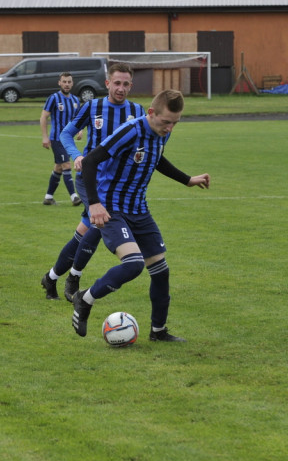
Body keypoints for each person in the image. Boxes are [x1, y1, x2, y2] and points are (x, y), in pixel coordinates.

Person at [70, 89, 210, 342]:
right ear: (151, 113)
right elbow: (90, 161)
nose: (169, 128)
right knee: (133, 264)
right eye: (166, 121)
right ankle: (85, 298)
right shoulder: (130, 131)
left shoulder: (161, 134)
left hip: (139, 210)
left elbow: (157, 159)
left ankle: (158, 332)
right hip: (112, 208)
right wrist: (94, 204)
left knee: (161, 271)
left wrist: (187, 180)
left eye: (175, 123)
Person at [40, 63, 144, 301]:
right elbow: (66, 133)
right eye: (116, 83)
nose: (121, 88)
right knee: (99, 223)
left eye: (126, 84)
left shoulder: (137, 111)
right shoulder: (93, 106)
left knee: (84, 231)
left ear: (131, 85)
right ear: (108, 83)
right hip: (91, 179)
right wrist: (76, 155)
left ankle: (52, 277)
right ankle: (73, 277)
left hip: (117, 185)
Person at [40, 72, 82, 206]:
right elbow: (43, 117)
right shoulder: (53, 98)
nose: (67, 84)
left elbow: (78, 119)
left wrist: (80, 130)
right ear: (59, 83)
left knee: (59, 168)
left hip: (68, 140)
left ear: (72, 83)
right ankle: (74, 197)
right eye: (64, 81)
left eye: (69, 82)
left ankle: (48, 197)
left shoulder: (75, 100)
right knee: (67, 165)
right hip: (57, 139)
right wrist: (45, 137)